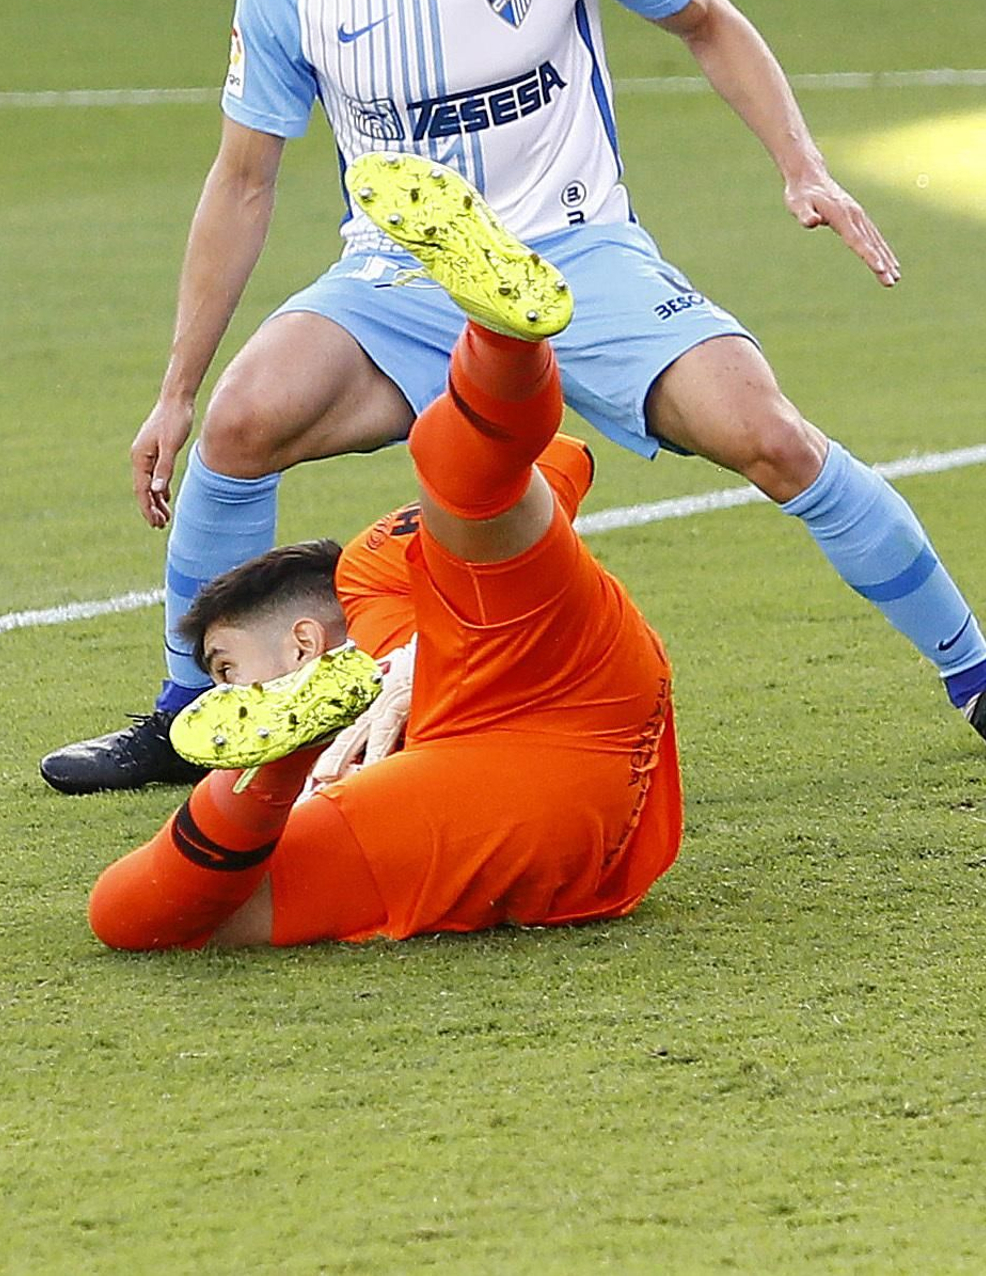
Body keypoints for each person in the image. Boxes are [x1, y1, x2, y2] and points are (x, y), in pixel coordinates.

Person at [42, 0, 986, 794]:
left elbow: (707, 21)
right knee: (240, 426)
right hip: (401, 281)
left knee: (770, 435)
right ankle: (183, 713)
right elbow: (244, 183)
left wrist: (803, 167)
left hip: (576, 256)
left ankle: (984, 683)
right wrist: (176, 390)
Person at [88, 154, 681, 950]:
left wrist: (400, 661)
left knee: (465, 494)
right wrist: (293, 763)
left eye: (227, 672)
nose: (221, 704)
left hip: (541, 684)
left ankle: (503, 333)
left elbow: (563, 461)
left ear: (304, 640)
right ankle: (502, 345)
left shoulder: (371, 568)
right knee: (126, 914)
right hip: (547, 776)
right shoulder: (353, 779)